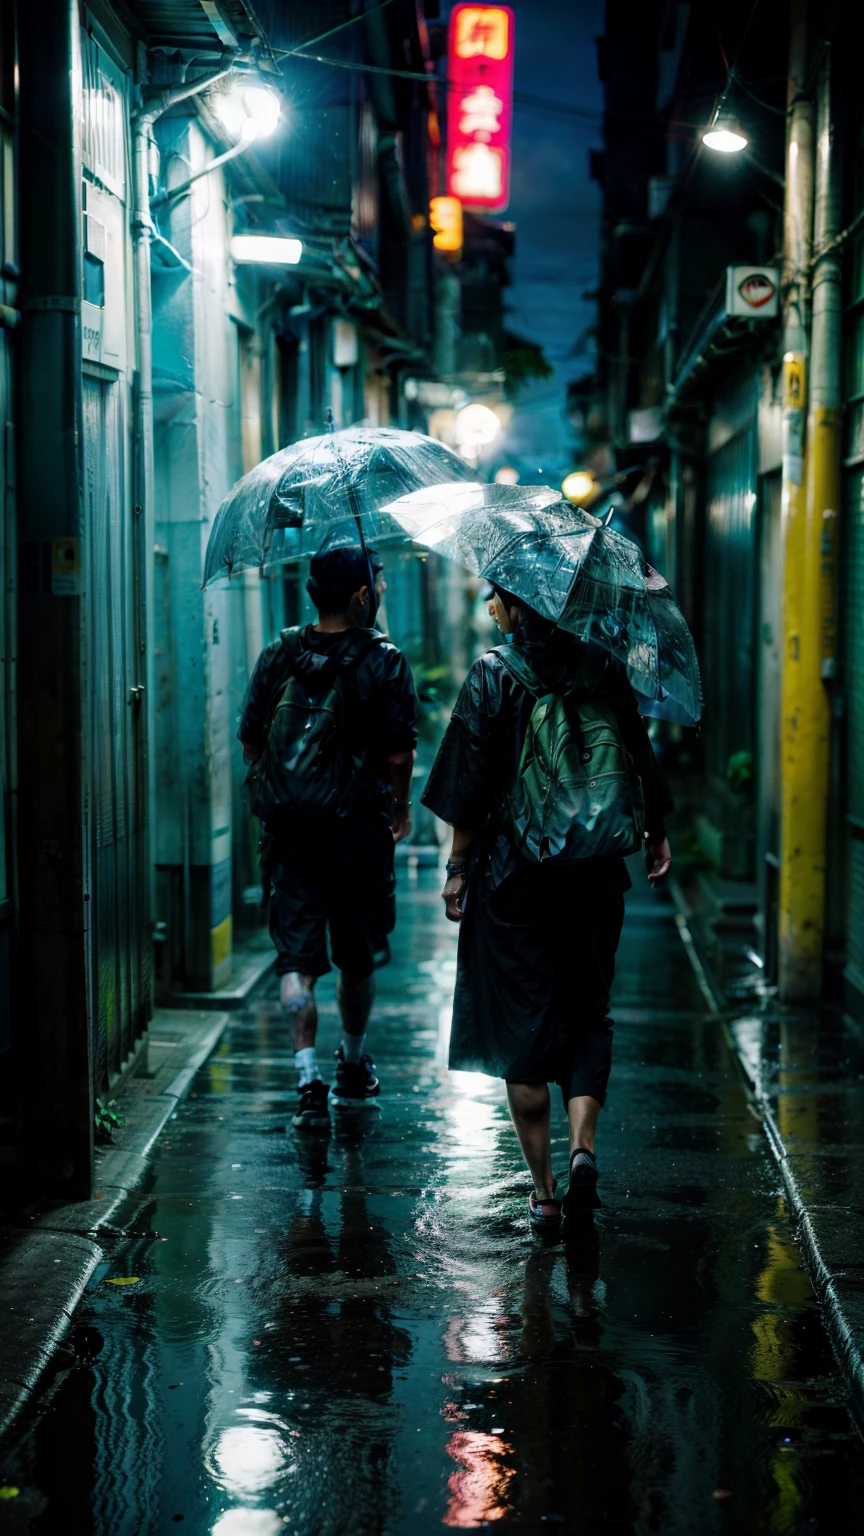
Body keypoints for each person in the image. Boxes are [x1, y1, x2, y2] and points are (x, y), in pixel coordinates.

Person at [422, 585, 673, 1225]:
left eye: (498, 598)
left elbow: (467, 789)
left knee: (521, 1028)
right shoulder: (604, 665)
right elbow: (637, 760)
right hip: (594, 875)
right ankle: (582, 1149)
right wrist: (656, 835)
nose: (490, 608)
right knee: (588, 1010)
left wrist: (456, 870)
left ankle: (542, 1192)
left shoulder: (491, 676)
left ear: (517, 606)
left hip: (515, 879)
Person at [238, 543, 418, 1129]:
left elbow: (250, 741)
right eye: (380, 586)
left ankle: (307, 1077)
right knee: (357, 958)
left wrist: (289, 791)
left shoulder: (280, 651)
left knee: (297, 961)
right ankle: (353, 1062)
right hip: (358, 833)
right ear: (362, 595)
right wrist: (400, 808)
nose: (384, 594)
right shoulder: (383, 660)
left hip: (291, 833)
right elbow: (398, 754)